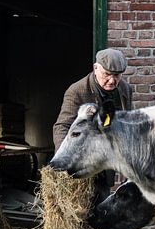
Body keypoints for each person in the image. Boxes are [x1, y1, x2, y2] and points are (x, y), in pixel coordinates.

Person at [53, 48, 133, 205]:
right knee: (77, 212)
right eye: (107, 74)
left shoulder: (125, 90)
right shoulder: (77, 91)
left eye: (116, 75)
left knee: (100, 211)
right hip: (80, 162)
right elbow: (62, 126)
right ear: (95, 68)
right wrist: (63, 160)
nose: (112, 80)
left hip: (104, 165)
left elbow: (127, 126)